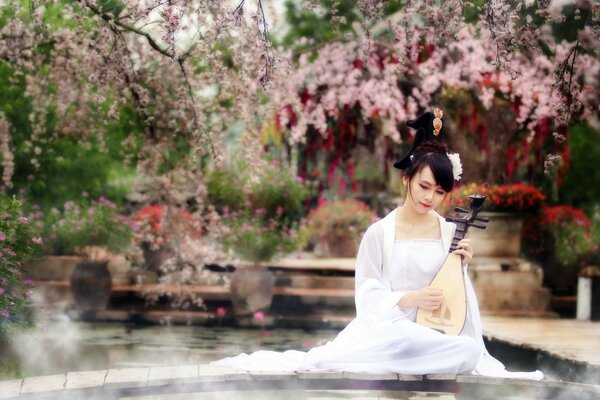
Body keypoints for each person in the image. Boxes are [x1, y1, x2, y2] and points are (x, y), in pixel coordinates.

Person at [212, 109, 543, 380]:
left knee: (469, 351)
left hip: (436, 336)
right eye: (424, 186)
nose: (431, 197)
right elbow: (367, 296)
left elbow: (456, 302)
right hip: (391, 331)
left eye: (440, 192)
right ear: (406, 179)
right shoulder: (379, 233)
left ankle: (411, 363)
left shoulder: (448, 231)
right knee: (396, 344)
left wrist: (461, 265)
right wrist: (409, 299)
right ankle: (394, 362)